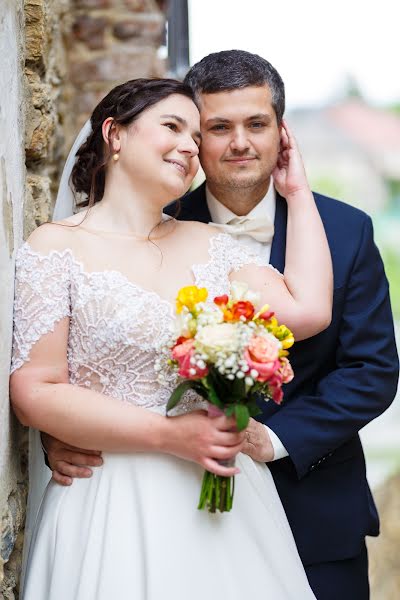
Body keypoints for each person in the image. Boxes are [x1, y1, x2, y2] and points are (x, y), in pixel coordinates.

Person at [44, 51, 399, 599]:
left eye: (257, 124)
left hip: (317, 508)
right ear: (196, 137)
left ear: (282, 132)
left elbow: (371, 370)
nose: (240, 142)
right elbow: (84, 354)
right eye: (218, 127)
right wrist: (63, 432)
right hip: (167, 509)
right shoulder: (156, 221)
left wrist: (272, 439)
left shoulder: (345, 230)